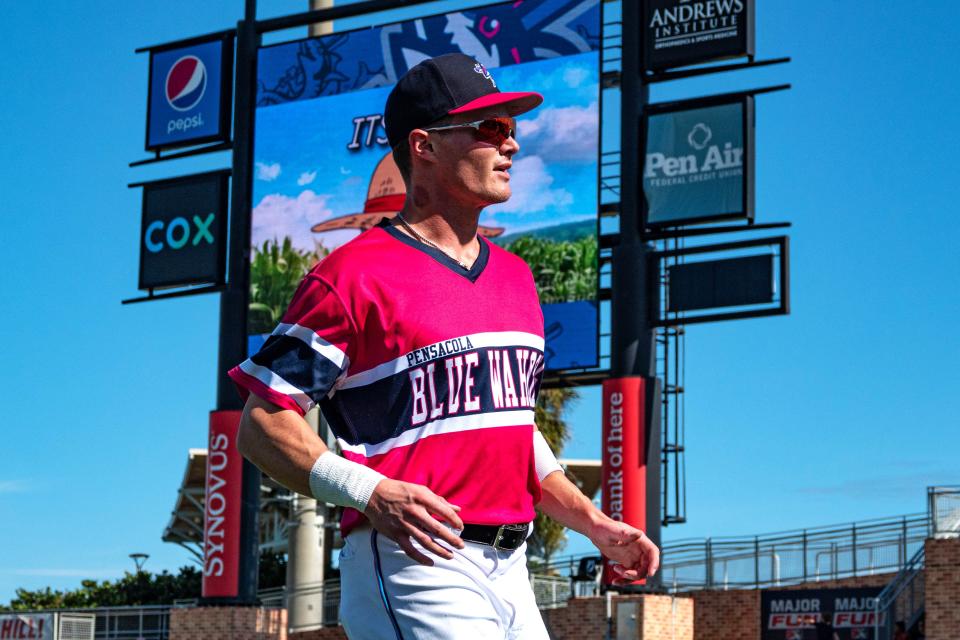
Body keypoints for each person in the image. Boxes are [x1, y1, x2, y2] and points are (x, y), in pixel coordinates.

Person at [229, 52, 659, 640]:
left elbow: (509, 428)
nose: (509, 145)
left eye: (510, 129)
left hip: (513, 568)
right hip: (416, 563)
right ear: (424, 146)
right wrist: (368, 490)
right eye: (489, 128)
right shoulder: (350, 276)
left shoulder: (516, 277)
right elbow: (262, 422)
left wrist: (592, 523)